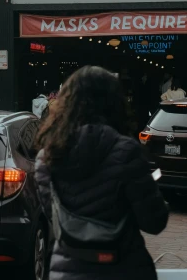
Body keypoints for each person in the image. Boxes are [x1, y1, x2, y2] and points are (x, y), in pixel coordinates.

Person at [35, 66, 168, 280]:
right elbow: (154, 223)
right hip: (124, 269)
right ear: (116, 104)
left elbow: (56, 219)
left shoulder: (46, 158)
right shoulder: (126, 152)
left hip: (68, 271)